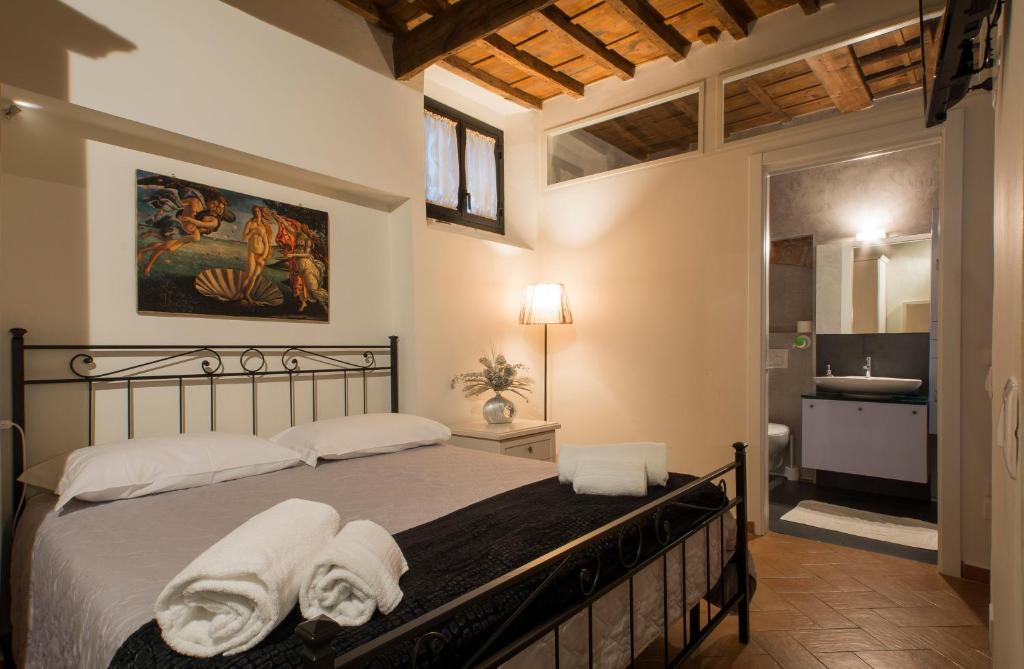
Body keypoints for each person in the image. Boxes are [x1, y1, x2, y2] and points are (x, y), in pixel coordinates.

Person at [137, 190, 233, 276]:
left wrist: (194, 226)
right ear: (210, 199)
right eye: (215, 204)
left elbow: (201, 225)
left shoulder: (209, 214)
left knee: (169, 248)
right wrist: (161, 211)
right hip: (179, 228)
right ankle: (145, 259)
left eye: (219, 207)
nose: (215, 207)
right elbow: (176, 204)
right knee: (165, 247)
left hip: (187, 234)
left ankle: (151, 238)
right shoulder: (196, 201)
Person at [240, 206, 274, 303]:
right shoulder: (250, 223)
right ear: (253, 213)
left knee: (254, 276)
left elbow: (266, 244)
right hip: (252, 252)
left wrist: (263, 257)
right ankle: (239, 293)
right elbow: (244, 238)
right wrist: (253, 231)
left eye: (258, 211)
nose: (256, 213)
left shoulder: (263, 227)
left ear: (261, 212)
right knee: (249, 274)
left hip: (261, 254)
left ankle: (247, 294)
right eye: (254, 211)